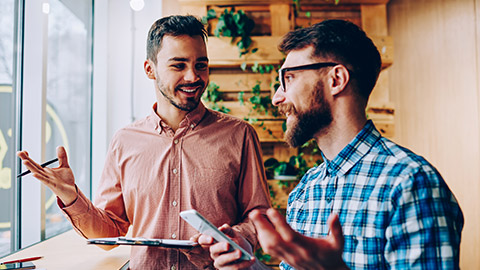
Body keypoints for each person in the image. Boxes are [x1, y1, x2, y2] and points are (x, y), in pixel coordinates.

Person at [199, 19, 464, 270]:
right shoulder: (306, 189)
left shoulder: (410, 182)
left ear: (336, 80)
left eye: (288, 78)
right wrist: (248, 264)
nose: (277, 97)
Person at [17, 15, 271, 270]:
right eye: (178, 65)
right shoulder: (125, 141)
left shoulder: (239, 135)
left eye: (201, 65)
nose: (193, 76)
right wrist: (70, 196)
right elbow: (108, 234)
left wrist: (233, 239)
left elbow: (259, 219)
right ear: (150, 69)